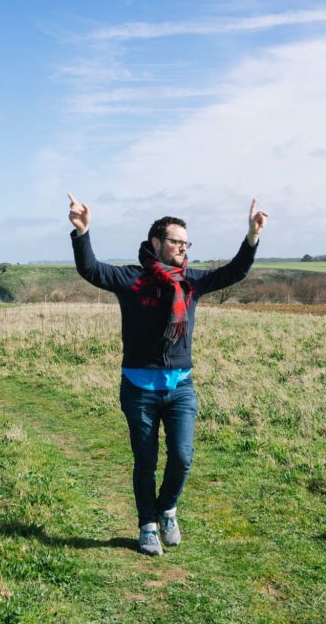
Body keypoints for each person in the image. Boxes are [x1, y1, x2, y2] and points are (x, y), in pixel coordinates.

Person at [67, 193, 267, 555]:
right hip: (139, 389)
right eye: (176, 241)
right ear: (156, 243)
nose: (182, 247)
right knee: (145, 460)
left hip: (180, 388)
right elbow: (92, 269)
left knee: (182, 456)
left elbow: (233, 272)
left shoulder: (190, 282)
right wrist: (83, 232)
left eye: (186, 242)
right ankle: (147, 526)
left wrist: (251, 236)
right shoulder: (131, 280)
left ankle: (168, 510)